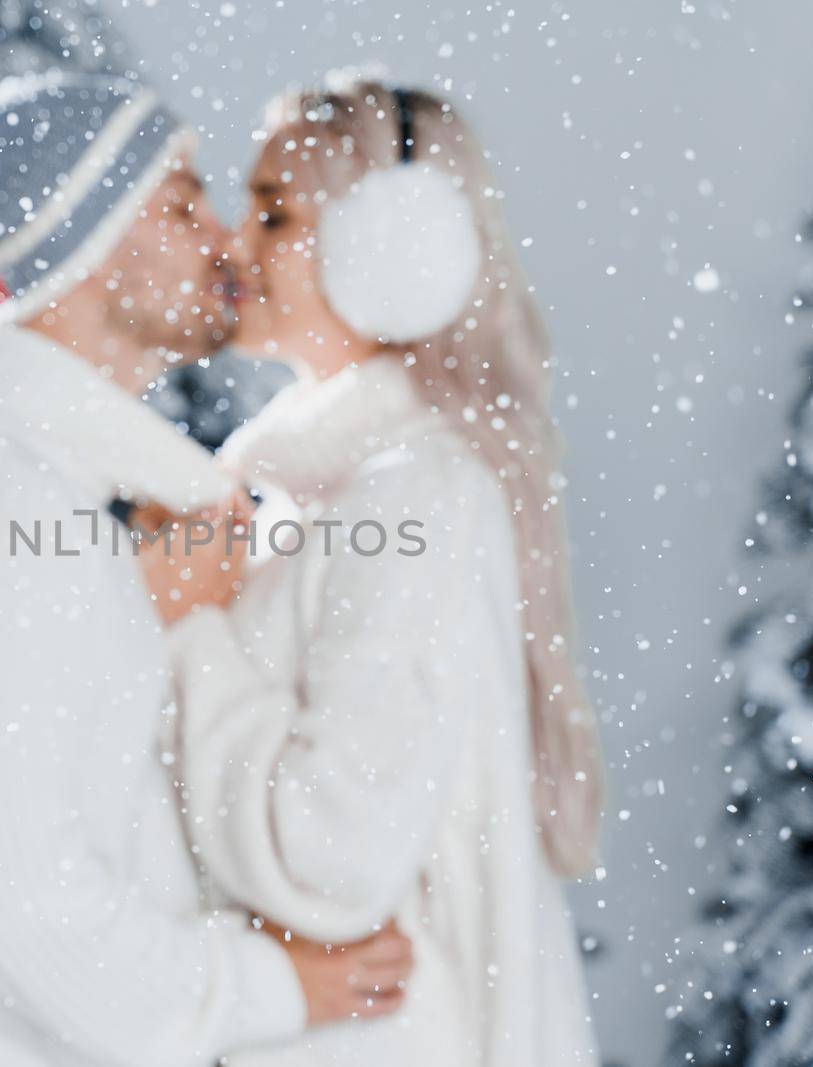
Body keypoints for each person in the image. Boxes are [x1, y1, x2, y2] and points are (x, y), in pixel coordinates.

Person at [0, 71, 412, 1067]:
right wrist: (275, 983)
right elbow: (25, 918)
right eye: (181, 205)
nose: (224, 241)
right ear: (79, 248)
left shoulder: (31, 492)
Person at [153, 72, 607, 1065]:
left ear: (389, 251)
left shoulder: (410, 497)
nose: (235, 244)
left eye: (273, 213)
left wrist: (190, 633)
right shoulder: (325, 493)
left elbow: (332, 848)